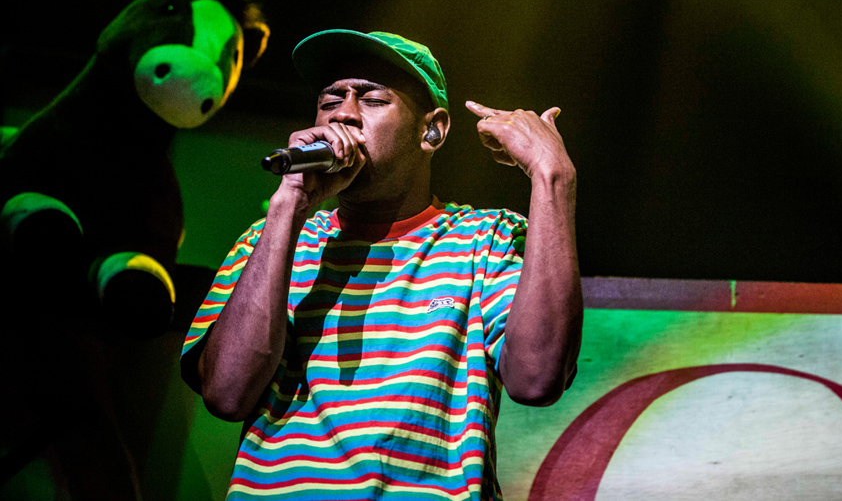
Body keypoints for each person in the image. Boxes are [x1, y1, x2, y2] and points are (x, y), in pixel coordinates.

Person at [180, 30, 581, 500]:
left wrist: (554, 178)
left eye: (371, 99)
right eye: (331, 100)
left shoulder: (485, 238)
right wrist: (288, 205)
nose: (344, 113)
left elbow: (536, 378)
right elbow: (226, 395)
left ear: (431, 130)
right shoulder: (270, 240)